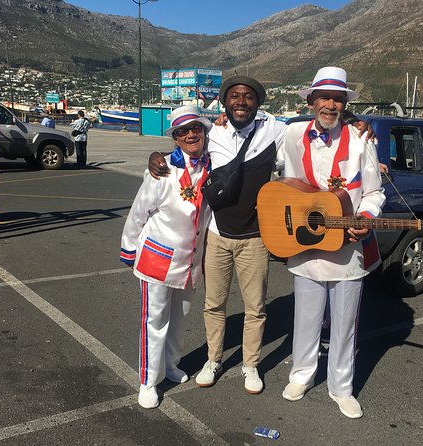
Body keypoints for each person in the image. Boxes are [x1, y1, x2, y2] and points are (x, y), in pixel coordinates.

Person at [148, 76, 375, 395]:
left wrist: (354, 120)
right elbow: (186, 150)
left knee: (255, 307)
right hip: (217, 234)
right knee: (214, 304)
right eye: (235, 96)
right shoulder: (213, 132)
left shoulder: (277, 131)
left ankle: (250, 364)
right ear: (225, 102)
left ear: (258, 103)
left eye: (248, 97)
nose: (241, 101)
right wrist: (157, 157)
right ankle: (213, 359)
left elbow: (322, 120)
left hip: (256, 237)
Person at [277, 66, 385, 419]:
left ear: (344, 105)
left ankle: (342, 387)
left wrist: (366, 219)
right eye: (324, 97)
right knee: (305, 318)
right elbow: (252, 143)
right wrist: (213, 124)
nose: (330, 105)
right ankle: (301, 375)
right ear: (310, 101)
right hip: (305, 245)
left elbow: (373, 192)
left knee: (344, 323)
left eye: (338, 99)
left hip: (347, 248)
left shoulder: (361, 140)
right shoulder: (291, 135)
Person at [120, 106, 213, 409]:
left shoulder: (212, 166)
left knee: (180, 318)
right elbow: (139, 212)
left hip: (190, 262)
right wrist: (129, 247)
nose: (189, 135)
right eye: (182, 132)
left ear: (203, 130)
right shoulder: (162, 171)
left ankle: (170, 365)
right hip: (158, 260)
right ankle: (148, 379)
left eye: (194, 129)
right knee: (155, 320)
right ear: (174, 138)